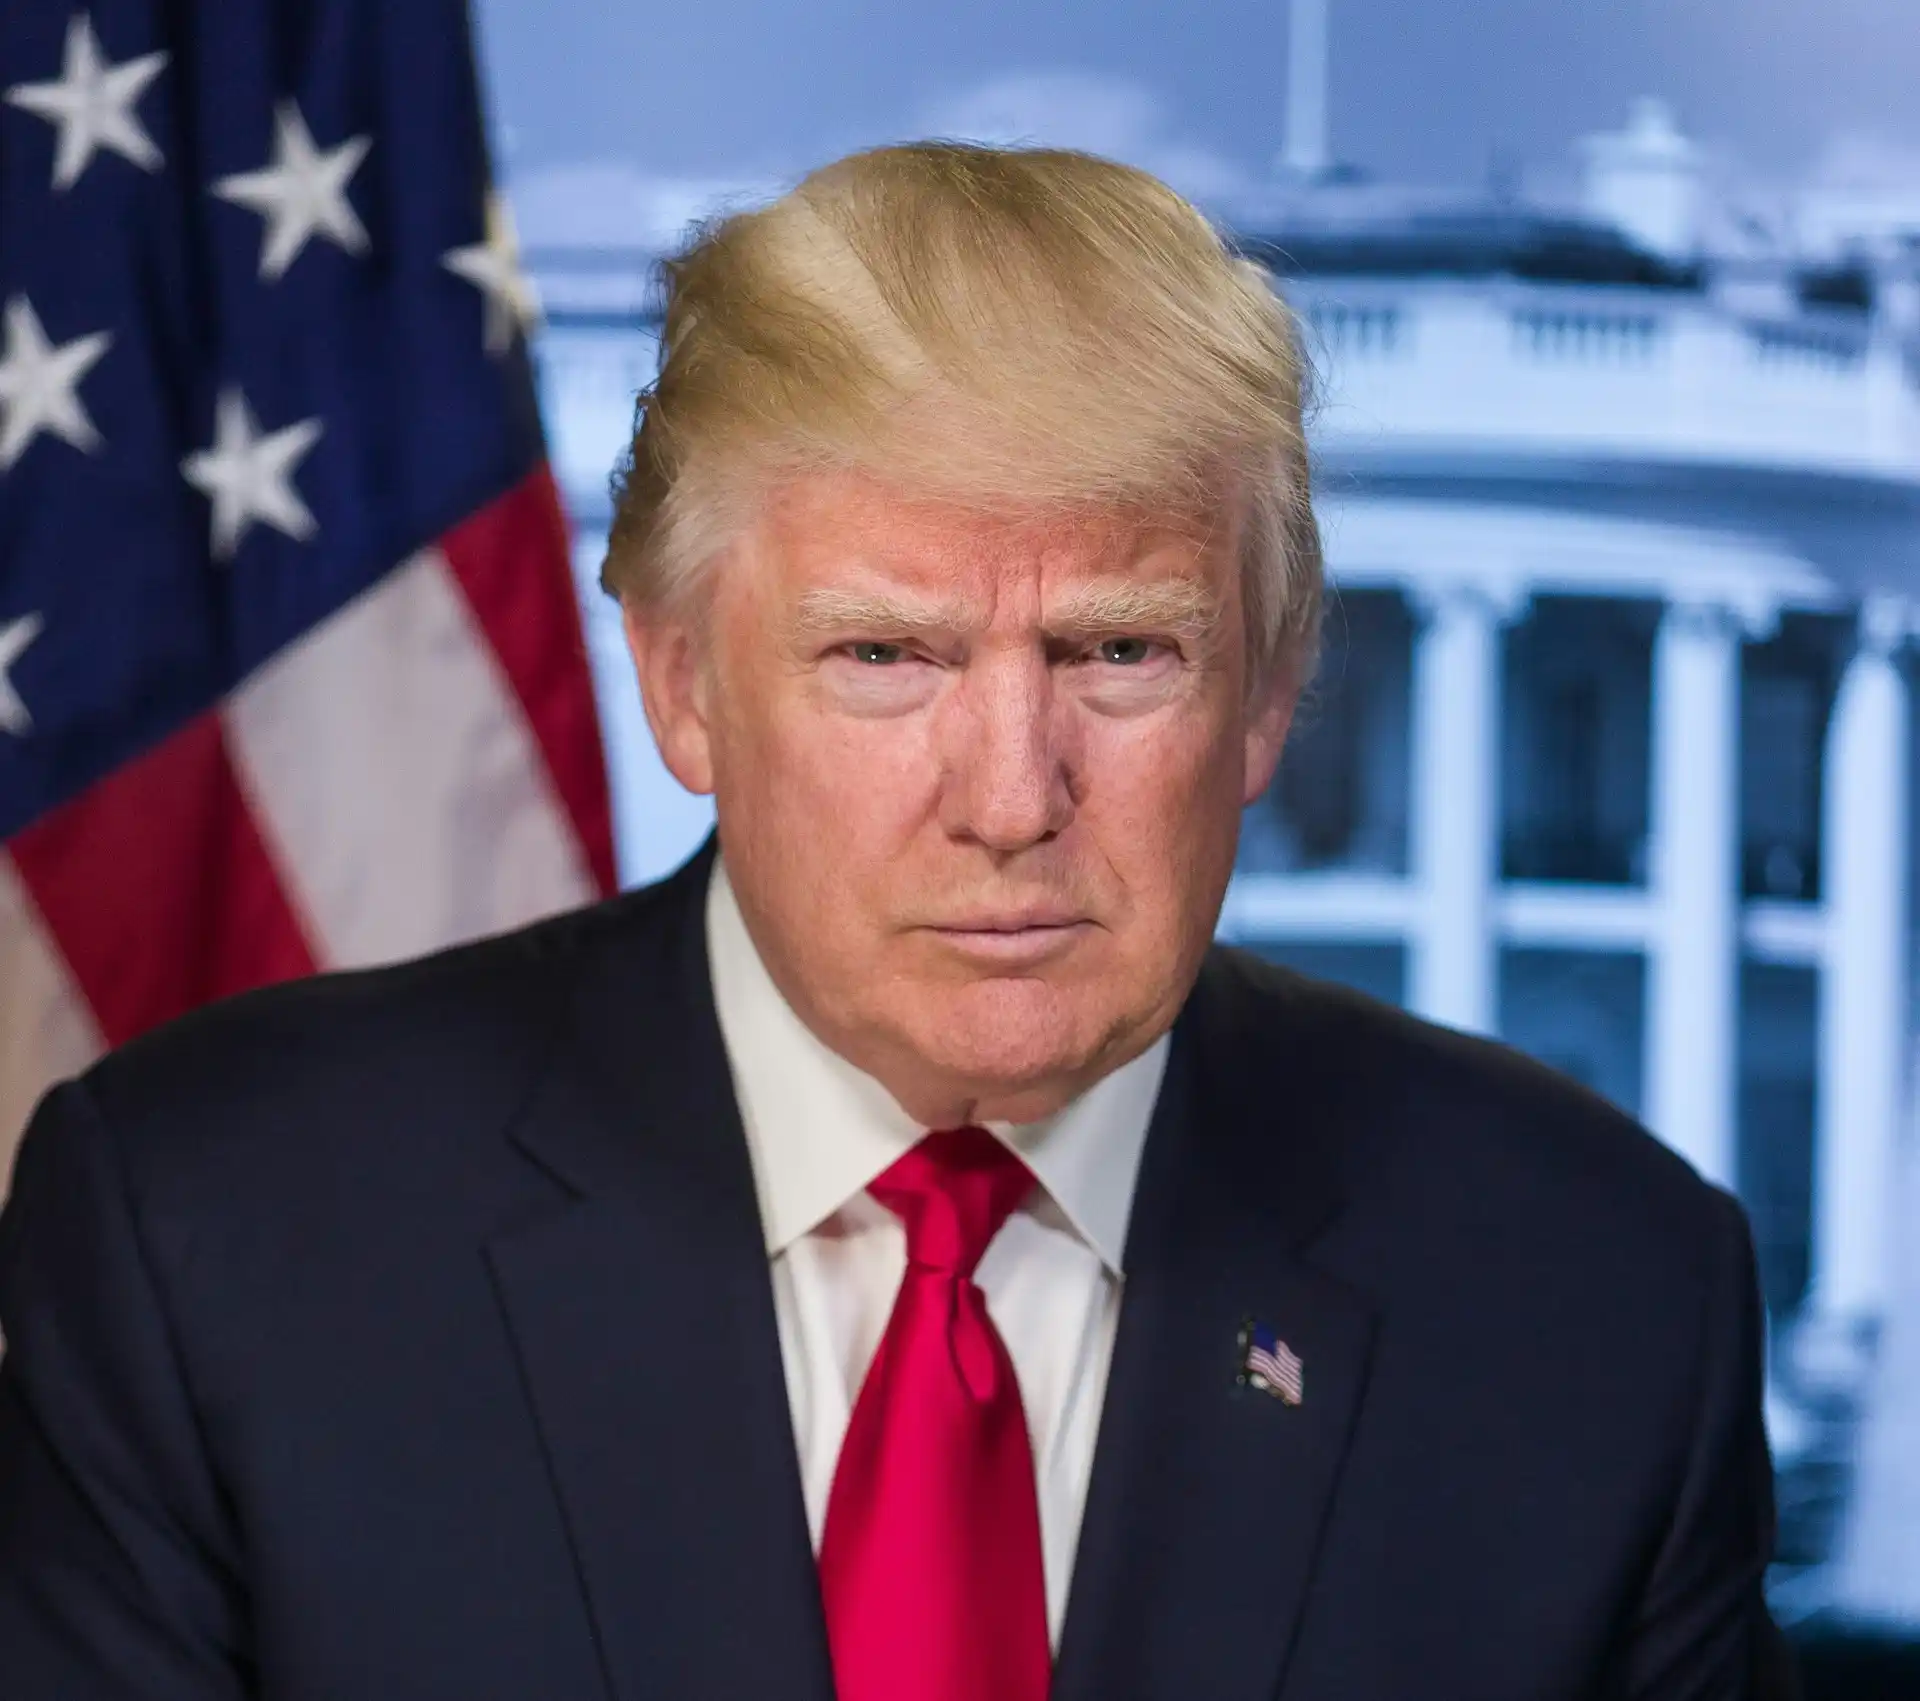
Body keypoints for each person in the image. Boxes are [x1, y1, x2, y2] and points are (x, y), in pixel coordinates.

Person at [0, 142, 1794, 1700]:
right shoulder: (209, 1238)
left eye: (1119, 653)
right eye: (886, 656)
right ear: (682, 683)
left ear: (1266, 699)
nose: (1011, 795)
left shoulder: (1598, 1300)